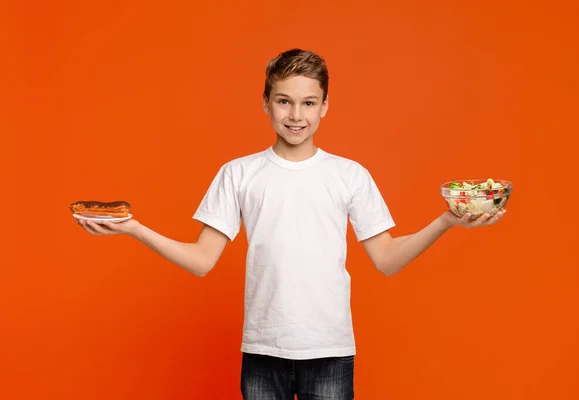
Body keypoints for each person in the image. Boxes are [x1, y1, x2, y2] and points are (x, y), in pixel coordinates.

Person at [76, 48, 506, 400]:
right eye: (284, 101)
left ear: (325, 107)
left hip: (330, 350)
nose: (295, 114)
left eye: (308, 102)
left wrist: (447, 221)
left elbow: (387, 259)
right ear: (266, 103)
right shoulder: (238, 174)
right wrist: (134, 229)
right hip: (263, 350)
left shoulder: (349, 175)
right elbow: (201, 260)